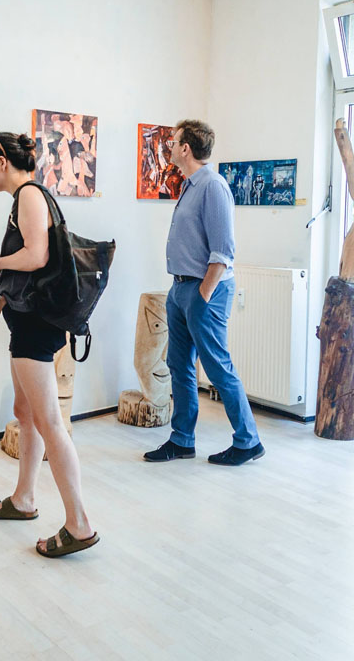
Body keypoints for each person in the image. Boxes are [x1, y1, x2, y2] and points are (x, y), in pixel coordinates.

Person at [0, 132, 98, 558]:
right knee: (25, 412)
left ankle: (79, 524)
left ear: (3, 161)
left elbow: (36, 256)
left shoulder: (28, 194)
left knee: (48, 421)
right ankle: (23, 498)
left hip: (35, 326)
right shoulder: (28, 196)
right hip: (28, 322)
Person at [145, 119, 264, 466]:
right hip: (180, 287)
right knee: (179, 365)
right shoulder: (189, 185)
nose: (169, 147)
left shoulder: (213, 186)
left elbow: (223, 252)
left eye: (173, 142)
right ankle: (182, 440)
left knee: (217, 367)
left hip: (204, 290)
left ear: (186, 148)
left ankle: (248, 441)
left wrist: (202, 296)